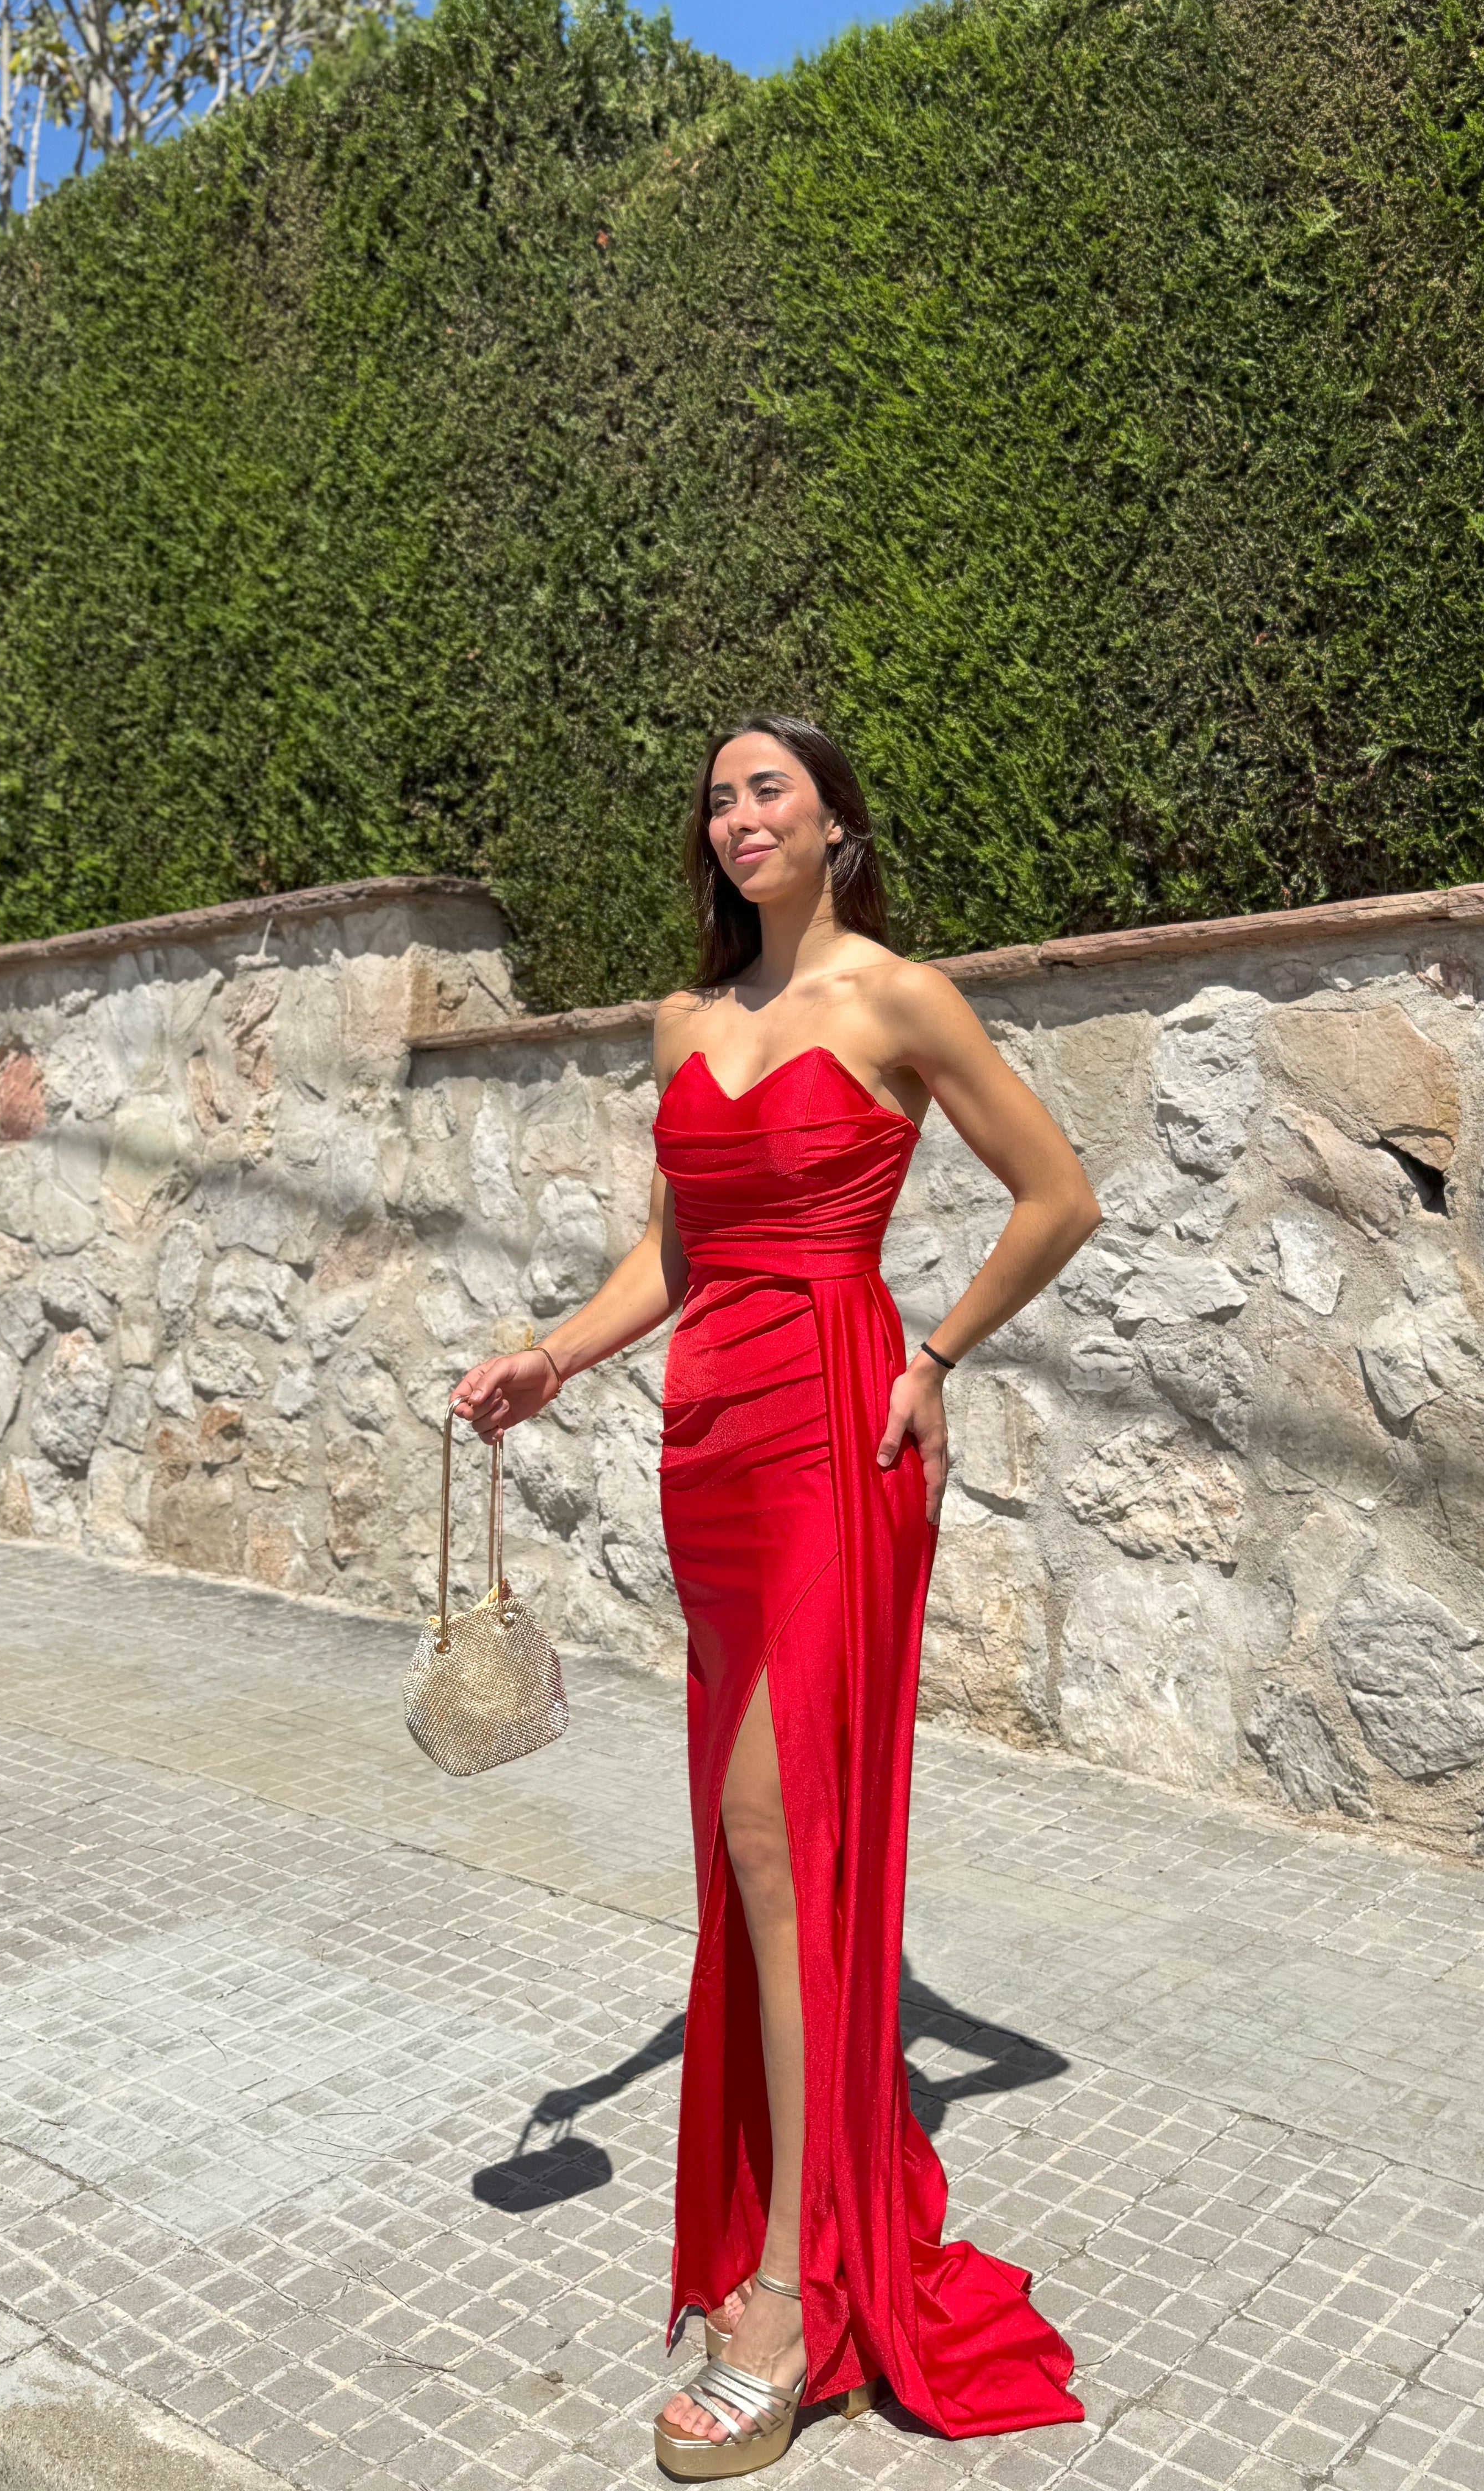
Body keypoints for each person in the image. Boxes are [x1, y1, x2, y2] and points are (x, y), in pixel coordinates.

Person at [451, 717, 1099, 2477]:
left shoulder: (904, 1001)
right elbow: (678, 1248)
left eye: (770, 793)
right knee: (749, 1852)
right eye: (721, 797)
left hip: (840, 1421)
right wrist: (556, 1359)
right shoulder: (685, 1023)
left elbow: (1060, 1197)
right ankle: (792, 2216)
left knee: (773, 1832)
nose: (737, 818)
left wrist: (940, 1355)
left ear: (839, 830)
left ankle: (798, 2294)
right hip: (712, 1440)